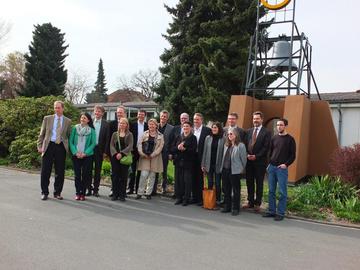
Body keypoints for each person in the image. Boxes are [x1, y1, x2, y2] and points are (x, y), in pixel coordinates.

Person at [37, 100, 72, 200]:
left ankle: (57, 192)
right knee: (45, 171)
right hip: (48, 146)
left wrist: (68, 147)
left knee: (60, 171)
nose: (56, 109)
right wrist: (39, 146)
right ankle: (44, 192)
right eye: (55, 107)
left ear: (63, 108)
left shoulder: (68, 121)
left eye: (58, 107)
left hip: (60, 147)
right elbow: (42, 134)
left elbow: (68, 135)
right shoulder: (47, 119)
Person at [263, 118, 296, 221]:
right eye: (277, 125)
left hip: (281, 169)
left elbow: (293, 155)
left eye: (281, 125)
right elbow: (270, 152)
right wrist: (268, 164)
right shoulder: (274, 138)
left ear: (285, 126)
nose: (279, 127)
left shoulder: (290, 139)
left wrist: (286, 165)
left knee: (282, 192)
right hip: (272, 168)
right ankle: (271, 211)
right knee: (271, 191)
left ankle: (280, 213)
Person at [244, 111, 271, 212]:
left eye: (257, 119)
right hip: (249, 162)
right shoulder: (249, 131)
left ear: (261, 119)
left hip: (260, 162)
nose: (255, 120)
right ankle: (250, 202)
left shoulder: (267, 132)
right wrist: (247, 154)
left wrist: (256, 156)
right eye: (254, 118)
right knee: (249, 182)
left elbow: (266, 147)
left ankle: (257, 203)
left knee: (259, 183)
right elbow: (245, 144)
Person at [219, 128, 247, 216]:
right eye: (228, 134)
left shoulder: (241, 146)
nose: (229, 136)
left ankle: (235, 208)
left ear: (236, 135)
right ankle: (227, 206)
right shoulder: (226, 145)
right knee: (226, 190)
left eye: (231, 134)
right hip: (225, 170)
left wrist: (242, 169)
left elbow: (244, 159)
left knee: (236, 190)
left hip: (235, 171)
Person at [69, 113, 96, 201]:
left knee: (85, 175)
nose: (82, 119)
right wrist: (75, 152)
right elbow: (71, 142)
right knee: (77, 175)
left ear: (88, 120)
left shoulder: (92, 130)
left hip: (87, 156)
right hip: (76, 155)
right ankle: (77, 193)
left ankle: (83, 193)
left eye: (85, 118)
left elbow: (93, 143)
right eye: (81, 118)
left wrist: (85, 153)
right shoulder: (75, 128)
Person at [136, 119, 164, 199]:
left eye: (153, 124)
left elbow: (160, 147)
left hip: (155, 158)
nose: (151, 126)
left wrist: (153, 154)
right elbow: (139, 144)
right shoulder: (144, 134)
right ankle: (140, 192)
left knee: (152, 176)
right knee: (143, 175)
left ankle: (148, 193)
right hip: (144, 157)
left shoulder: (160, 135)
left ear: (156, 125)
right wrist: (142, 153)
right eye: (150, 124)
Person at [172, 121, 197, 206]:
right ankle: (179, 198)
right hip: (178, 162)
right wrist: (178, 148)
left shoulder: (193, 138)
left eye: (187, 126)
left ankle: (186, 199)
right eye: (184, 126)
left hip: (188, 163)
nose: (185, 128)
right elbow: (173, 148)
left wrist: (185, 149)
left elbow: (193, 150)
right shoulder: (179, 137)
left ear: (190, 128)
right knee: (179, 181)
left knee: (187, 181)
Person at [109, 118, 134, 201]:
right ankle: (115, 194)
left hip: (125, 157)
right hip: (115, 158)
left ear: (127, 125)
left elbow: (130, 146)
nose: (121, 125)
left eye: (124, 123)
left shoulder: (130, 134)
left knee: (124, 177)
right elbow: (111, 145)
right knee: (115, 176)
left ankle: (122, 195)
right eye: (120, 123)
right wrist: (116, 154)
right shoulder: (114, 134)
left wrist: (122, 153)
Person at [201, 122, 225, 203]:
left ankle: (218, 199)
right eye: (213, 128)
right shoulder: (208, 138)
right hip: (209, 163)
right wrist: (203, 164)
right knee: (210, 182)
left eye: (215, 128)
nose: (214, 129)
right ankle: (210, 199)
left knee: (218, 183)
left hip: (218, 164)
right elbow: (204, 151)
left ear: (219, 129)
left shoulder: (223, 138)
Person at [88, 105, 108, 197]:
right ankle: (88, 189)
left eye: (99, 111)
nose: (97, 113)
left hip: (99, 150)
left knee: (97, 171)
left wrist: (105, 152)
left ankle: (96, 190)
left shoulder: (106, 124)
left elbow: (107, 139)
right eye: (96, 111)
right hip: (89, 149)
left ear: (102, 113)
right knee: (88, 170)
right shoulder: (89, 122)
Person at [107, 105, 127, 197]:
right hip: (113, 153)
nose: (119, 114)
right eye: (118, 112)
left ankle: (122, 191)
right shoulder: (111, 124)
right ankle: (113, 190)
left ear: (124, 113)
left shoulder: (128, 124)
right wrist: (110, 152)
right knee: (114, 173)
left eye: (121, 112)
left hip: (125, 154)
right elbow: (108, 140)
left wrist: (125, 152)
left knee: (124, 174)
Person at [192, 112, 211, 205]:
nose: (195, 121)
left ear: (201, 120)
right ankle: (194, 197)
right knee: (193, 177)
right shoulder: (191, 129)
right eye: (194, 119)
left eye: (197, 119)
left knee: (200, 179)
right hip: (192, 157)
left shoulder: (207, 130)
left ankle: (200, 199)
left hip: (202, 157)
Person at [153, 110, 174, 195]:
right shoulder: (155, 126)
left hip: (165, 152)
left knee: (164, 171)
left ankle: (163, 188)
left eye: (165, 116)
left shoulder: (171, 128)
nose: (163, 118)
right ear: (160, 116)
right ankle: (153, 189)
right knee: (155, 170)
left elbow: (172, 142)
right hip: (155, 152)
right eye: (162, 116)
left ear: (167, 118)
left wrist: (170, 153)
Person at [128, 109, 148, 194]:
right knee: (132, 171)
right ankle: (130, 188)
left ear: (145, 116)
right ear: (137, 115)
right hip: (133, 150)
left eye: (142, 115)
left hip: (143, 151)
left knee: (141, 171)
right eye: (139, 114)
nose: (141, 116)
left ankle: (138, 189)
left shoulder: (147, 126)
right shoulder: (132, 125)